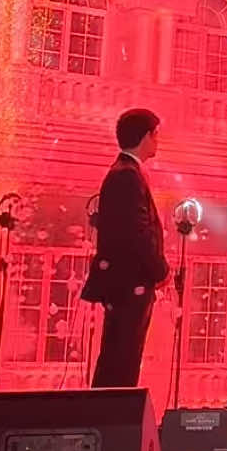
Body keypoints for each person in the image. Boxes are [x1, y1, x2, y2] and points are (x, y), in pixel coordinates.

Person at [82, 109, 170, 387]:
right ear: (145, 136)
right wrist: (160, 270)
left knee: (121, 357)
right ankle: (109, 420)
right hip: (129, 284)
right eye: (156, 135)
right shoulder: (127, 176)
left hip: (127, 283)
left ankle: (109, 417)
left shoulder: (127, 173)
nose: (158, 142)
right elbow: (138, 234)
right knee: (122, 359)